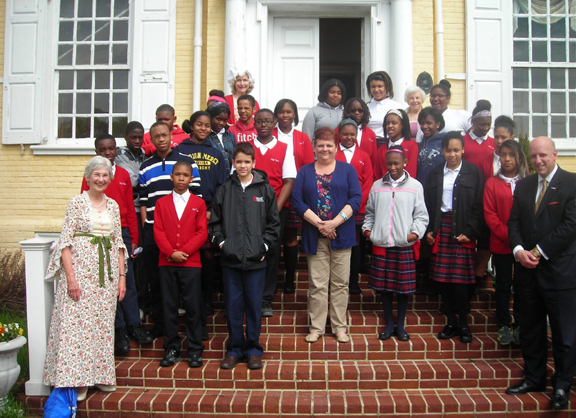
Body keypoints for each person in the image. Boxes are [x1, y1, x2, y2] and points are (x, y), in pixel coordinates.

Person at [43, 156, 127, 401]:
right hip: (80, 272)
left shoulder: (113, 205)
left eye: (105, 175)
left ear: (110, 179)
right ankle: (77, 379)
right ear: (88, 177)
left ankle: (100, 376)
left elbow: (118, 244)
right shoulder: (76, 203)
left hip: (106, 276)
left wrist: (122, 278)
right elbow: (65, 242)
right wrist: (70, 278)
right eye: (96, 175)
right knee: (77, 327)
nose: (100, 179)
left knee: (101, 325)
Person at [506, 137, 576, 411]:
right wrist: (519, 250)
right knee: (531, 330)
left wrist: (537, 252)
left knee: (563, 334)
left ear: (555, 154)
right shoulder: (523, 185)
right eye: (534, 156)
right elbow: (514, 222)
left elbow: (571, 225)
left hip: (560, 272)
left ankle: (561, 385)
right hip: (527, 273)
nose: (538, 161)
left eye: (543, 155)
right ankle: (534, 378)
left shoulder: (571, 183)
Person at [209, 142, 281, 371]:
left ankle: (253, 350)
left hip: (256, 261)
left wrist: (264, 248)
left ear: (254, 163)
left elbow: (273, 224)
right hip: (230, 261)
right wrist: (222, 244)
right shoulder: (224, 189)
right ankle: (234, 350)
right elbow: (215, 223)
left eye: (247, 162)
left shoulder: (265, 190)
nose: (242, 165)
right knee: (233, 306)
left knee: (253, 306)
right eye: (238, 161)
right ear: (233, 163)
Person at [81, 134, 152, 352]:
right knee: (109, 282)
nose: (108, 153)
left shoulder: (121, 174)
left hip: (122, 233)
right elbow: (84, 206)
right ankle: (118, 328)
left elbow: (130, 209)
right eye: (103, 150)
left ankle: (134, 325)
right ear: (96, 151)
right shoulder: (91, 175)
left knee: (127, 280)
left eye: (111, 149)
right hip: (100, 232)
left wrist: (134, 239)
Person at [292, 128, 362, 344]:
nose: (325, 149)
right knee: (317, 284)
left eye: (329, 145)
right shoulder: (304, 171)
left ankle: (340, 327)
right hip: (315, 236)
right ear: (314, 147)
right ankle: (316, 328)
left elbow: (356, 199)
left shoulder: (347, 170)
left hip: (343, 235)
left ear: (336, 147)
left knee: (341, 284)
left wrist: (335, 222)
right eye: (320, 145)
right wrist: (321, 225)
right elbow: (297, 201)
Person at [139, 122, 202, 339]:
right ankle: (160, 326)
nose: (161, 139)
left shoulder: (185, 162)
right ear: (152, 139)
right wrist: (146, 226)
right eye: (156, 136)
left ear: (170, 135)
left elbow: (198, 196)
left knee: (186, 287)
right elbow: (144, 201)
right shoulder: (146, 166)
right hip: (154, 232)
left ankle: (191, 333)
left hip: (183, 233)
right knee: (158, 284)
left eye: (164, 135)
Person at [363, 146, 428, 341]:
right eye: (389, 163)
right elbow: (370, 214)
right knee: (384, 288)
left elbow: (421, 216)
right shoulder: (377, 186)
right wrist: (368, 232)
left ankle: (400, 325)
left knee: (403, 288)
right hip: (382, 244)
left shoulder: (415, 186)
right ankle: (388, 324)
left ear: (405, 162)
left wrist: (413, 234)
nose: (392, 167)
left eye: (396, 163)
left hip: (403, 245)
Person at [424, 132, 484, 344]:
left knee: (460, 282)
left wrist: (470, 231)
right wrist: (430, 229)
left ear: (463, 150)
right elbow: (429, 206)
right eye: (448, 150)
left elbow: (479, 207)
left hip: (463, 231)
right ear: (442, 151)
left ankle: (464, 325)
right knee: (445, 281)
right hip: (442, 227)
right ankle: (450, 322)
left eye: (456, 150)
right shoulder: (434, 174)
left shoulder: (473, 173)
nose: (452, 154)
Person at [153, 161, 208, 368]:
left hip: (191, 263)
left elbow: (202, 232)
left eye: (185, 175)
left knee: (193, 307)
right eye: (177, 175)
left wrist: (183, 252)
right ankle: (171, 348)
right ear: (171, 177)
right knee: (169, 306)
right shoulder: (161, 203)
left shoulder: (198, 203)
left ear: (191, 178)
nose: (181, 179)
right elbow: (157, 231)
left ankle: (194, 349)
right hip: (166, 263)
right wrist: (171, 253)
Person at [177, 111, 227, 325]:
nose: (204, 129)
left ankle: (206, 297)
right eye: (199, 124)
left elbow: (221, 186)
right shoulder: (179, 150)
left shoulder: (217, 154)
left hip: (207, 209)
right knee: (186, 251)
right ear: (192, 126)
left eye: (207, 125)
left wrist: (212, 210)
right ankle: (188, 298)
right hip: (183, 207)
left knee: (207, 253)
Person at [249, 109, 297, 316]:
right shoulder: (246, 148)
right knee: (250, 252)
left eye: (268, 121)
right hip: (248, 211)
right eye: (259, 121)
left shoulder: (284, 148)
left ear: (274, 123)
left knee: (271, 253)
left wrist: (273, 211)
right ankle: (250, 297)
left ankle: (266, 299)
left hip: (275, 211)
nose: (263, 125)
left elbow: (288, 182)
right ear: (254, 123)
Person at [483, 139, 528, 345]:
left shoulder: (527, 182)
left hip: (525, 247)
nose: (507, 159)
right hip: (502, 245)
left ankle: (520, 324)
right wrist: (512, 239)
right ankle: (503, 325)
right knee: (503, 285)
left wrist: (521, 242)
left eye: (511, 154)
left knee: (522, 285)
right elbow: (490, 215)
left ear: (519, 157)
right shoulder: (492, 183)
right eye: (503, 155)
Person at [272, 99, 315, 294]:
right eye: (281, 112)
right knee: (272, 237)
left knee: (290, 236)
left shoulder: (303, 138)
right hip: (273, 193)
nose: (285, 115)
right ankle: (270, 282)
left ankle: (289, 279)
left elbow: (307, 168)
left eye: (289, 112)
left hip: (295, 192)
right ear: (276, 115)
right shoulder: (269, 135)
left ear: (295, 115)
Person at [334, 119, 373, 295]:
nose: (349, 137)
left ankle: (353, 281)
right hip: (335, 207)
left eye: (352, 134)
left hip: (358, 208)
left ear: (356, 135)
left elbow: (368, 183)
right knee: (336, 243)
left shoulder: (364, 156)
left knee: (355, 245)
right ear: (339, 135)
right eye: (345, 134)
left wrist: (354, 204)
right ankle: (335, 281)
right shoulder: (333, 153)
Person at [116, 121, 148, 316]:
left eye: (140, 137)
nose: (137, 140)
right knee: (130, 256)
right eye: (133, 137)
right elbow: (134, 179)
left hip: (141, 209)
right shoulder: (120, 155)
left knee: (142, 255)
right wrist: (145, 174)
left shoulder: (143, 154)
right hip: (129, 211)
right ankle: (130, 304)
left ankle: (142, 301)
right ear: (126, 136)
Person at [373, 109, 418, 179]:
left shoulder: (412, 146)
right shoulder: (381, 149)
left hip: (405, 187)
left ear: (402, 125)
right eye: (387, 123)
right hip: (384, 187)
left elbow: (411, 173)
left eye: (394, 123)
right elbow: (377, 175)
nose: (390, 126)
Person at [365, 71, 404, 147]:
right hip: (368, 145)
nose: (376, 90)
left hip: (388, 144)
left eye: (380, 86)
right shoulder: (365, 107)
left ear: (387, 87)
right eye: (373, 87)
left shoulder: (396, 106)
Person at [336, 97, 378, 166]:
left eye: (360, 110)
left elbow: (374, 159)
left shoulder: (371, 134)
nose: (357, 113)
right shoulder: (338, 131)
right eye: (353, 110)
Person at [478, 115, 516, 182]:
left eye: (503, 138)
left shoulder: (519, 160)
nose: (499, 141)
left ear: (512, 138)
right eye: (496, 137)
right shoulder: (485, 163)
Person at [416, 107, 447, 186]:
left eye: (429, 123)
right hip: (420, 188)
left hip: (438, 187)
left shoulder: (445, 143)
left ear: (437, 124)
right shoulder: (419, 145)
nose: (424, 126)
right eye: (422, 123)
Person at [462, 100, 496, 168]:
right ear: (473, 121)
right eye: (482, 125)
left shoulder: (494, 143)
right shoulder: (462, 141)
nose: (486, 128)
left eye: (489, 124)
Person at [206, 102, 237, 175]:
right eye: (218, 119)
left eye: (225, 120)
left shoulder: (230, 136)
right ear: (210, 117)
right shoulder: (205, 136)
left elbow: (236, 157)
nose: (221, 123)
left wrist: (227, 155)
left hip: (229, 179)